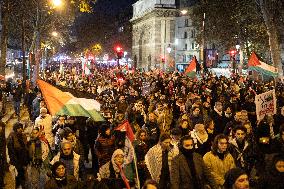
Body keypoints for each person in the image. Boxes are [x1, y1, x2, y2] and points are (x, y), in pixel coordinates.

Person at [7, 122, 29, 189]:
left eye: (21, 128)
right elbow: (11, 150)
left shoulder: (23, 135)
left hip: (23, 158)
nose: (20, 129)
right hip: (17, 159)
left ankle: (18, 185)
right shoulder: (11, 136)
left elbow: (26, 147)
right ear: (15, 129)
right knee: (20, 173)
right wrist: (15, 161)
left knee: (21, 173)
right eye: (18, 128)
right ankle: (23, 186)